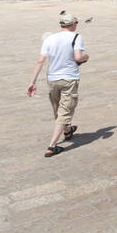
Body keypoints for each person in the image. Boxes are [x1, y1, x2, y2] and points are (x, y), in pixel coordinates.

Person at [27, 14, 88, 157]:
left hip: (52, 79)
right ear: (73, 24)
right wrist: (86, 57)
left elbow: (40, 61)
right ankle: (52, 146)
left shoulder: (50, 38)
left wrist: (32, 82)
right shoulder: (76, 37)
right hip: (69, 78)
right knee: (65, 111)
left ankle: (67, 131)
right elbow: (78, 57)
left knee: (58, 109)